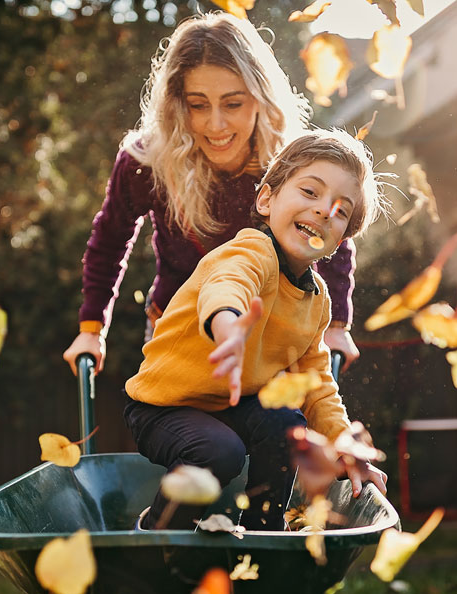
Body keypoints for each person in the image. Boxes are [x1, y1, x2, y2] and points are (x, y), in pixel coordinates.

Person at [62, 12, 362, 377]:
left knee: (274, 433)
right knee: (188, 435)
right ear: (177, 104)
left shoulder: (290, 164)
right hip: (177, 330)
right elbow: (109, 241)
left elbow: (327, 230)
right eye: (198, 105)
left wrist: (337, 326)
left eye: (233, 103)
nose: (216, 124)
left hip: (270, 332)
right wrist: (91, 328)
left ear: (260, 98)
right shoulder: (148, 163)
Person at [123, 130, 389, 531]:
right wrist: (228, 327)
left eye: (339, 211)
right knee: (219, 451)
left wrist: (345, 446)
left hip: (231, 405)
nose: (322, 211)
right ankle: (160, 529)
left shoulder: (316, 301)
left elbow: (316, 384)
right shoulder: (251, 251)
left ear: (339, 241)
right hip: (164, 406)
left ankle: (264, 533)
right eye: (310, 192)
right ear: (266, 200)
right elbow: (228, 284)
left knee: (287, 426)